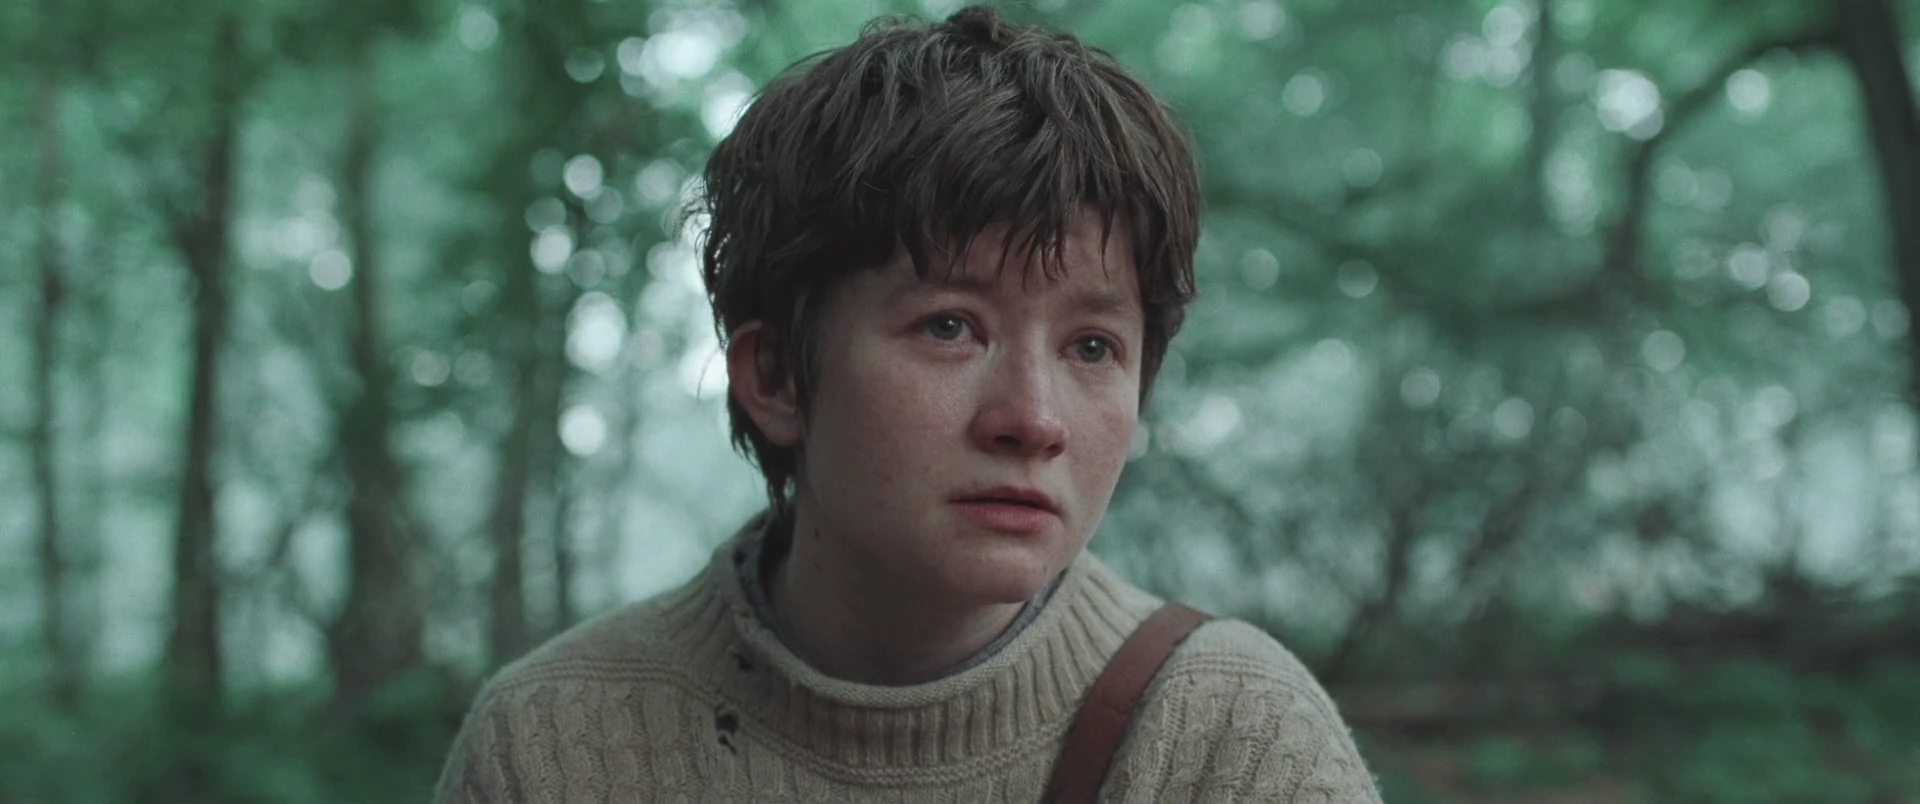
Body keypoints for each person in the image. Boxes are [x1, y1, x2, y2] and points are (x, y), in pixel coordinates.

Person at [434, 6, 1382, 802]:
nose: (1034, 419)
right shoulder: (556, 749)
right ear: (777, 377)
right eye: (950, 327)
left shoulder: (1235, 745)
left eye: (1092, 346)